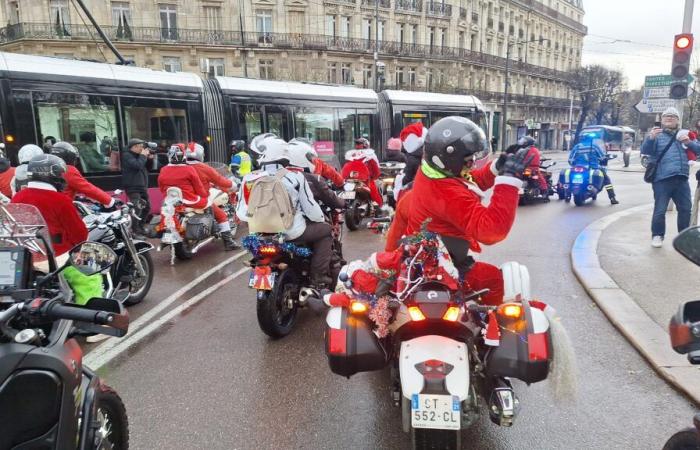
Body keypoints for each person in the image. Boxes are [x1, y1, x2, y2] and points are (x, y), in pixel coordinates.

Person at [403, 116, 533, 306]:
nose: (472, 163)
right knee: (496, 280)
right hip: (446, 266)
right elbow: (491, 230)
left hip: (429, 256)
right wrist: (509, 181)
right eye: (468, 160)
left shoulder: (434, 172)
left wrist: (498, 167)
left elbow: (468, 181)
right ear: (449, 159)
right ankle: (486, 329)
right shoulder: (446, 191)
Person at [11, 154, 105, 330]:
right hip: (55, 257)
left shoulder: (18, 197)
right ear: (52, 175)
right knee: (90, 277)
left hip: (26, 256)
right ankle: (91, 326)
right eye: (60, 174)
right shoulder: (60, 200)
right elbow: (79, 235)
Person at [236, 137, 334, 287]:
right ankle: (318, 278)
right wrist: (320, 220)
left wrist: (260, 220)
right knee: (325, 231)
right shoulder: (295, 177)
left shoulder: (249, 178)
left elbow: (241, 211)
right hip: (292, 231)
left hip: (259, 233)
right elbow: (310, 207)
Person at [642, 107, 700, 248]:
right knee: (660, 209)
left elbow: (698, 150)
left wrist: (688, 142)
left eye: (672, 117)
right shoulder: (656, 135)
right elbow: (645, 150)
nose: (669, 118)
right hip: (662, 179)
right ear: (662, 120)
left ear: (677, 121)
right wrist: (650, 139)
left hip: (681, 178)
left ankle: (684, 238)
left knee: (686, 209)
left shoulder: (684, 135)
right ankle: (657, 235)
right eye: (666, 116)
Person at [185, 142, 239, 250]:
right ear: (200, 154)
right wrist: (232, 184)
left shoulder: (182, 167)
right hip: (200, 199)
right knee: (222, 216)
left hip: (184, 199)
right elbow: (220, 180)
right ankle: (228, 243)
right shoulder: (203, 167)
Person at [50, 141, 116, 209]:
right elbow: (88, 188)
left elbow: (63, 189)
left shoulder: (49, 168)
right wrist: (109, 201)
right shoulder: (67, 170)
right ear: (69, 156)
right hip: (62, 209)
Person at [288, 140, 345, 210]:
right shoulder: (314, 178)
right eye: (310, 157)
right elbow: (331, 173)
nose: (313, 159)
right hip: (312, 208)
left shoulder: (282, 173)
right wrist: (341, 184)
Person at [567, 132, 619, 205]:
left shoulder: (577, 147)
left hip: (578, 168)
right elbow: (602, 157)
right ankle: (612, 198)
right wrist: (603, 158)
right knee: (607, 181)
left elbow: (570, 159)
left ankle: (567, 196)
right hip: (593, 167)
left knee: (569, 178)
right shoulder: (594, 146)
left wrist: (574, 165)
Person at [158, 143, 209, 210]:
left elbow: (161, 188)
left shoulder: (163, 169)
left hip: (169, 201)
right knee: (209, 202)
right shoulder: (189, 169)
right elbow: (199, 187)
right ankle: (223, 219)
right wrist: (205, 195)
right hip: (188, 200)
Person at [121, 138, 152, 235]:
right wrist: (143, 156)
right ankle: (135, 230)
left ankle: (140, 226)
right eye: (140, 147)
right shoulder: (127, 155)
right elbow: (137, 165)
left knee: (147, 207)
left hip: (141, 186)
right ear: (134, 147)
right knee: (137, 208)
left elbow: (148, 168)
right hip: (132, 186)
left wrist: (149, 158)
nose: (142, 149)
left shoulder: (139, 156)